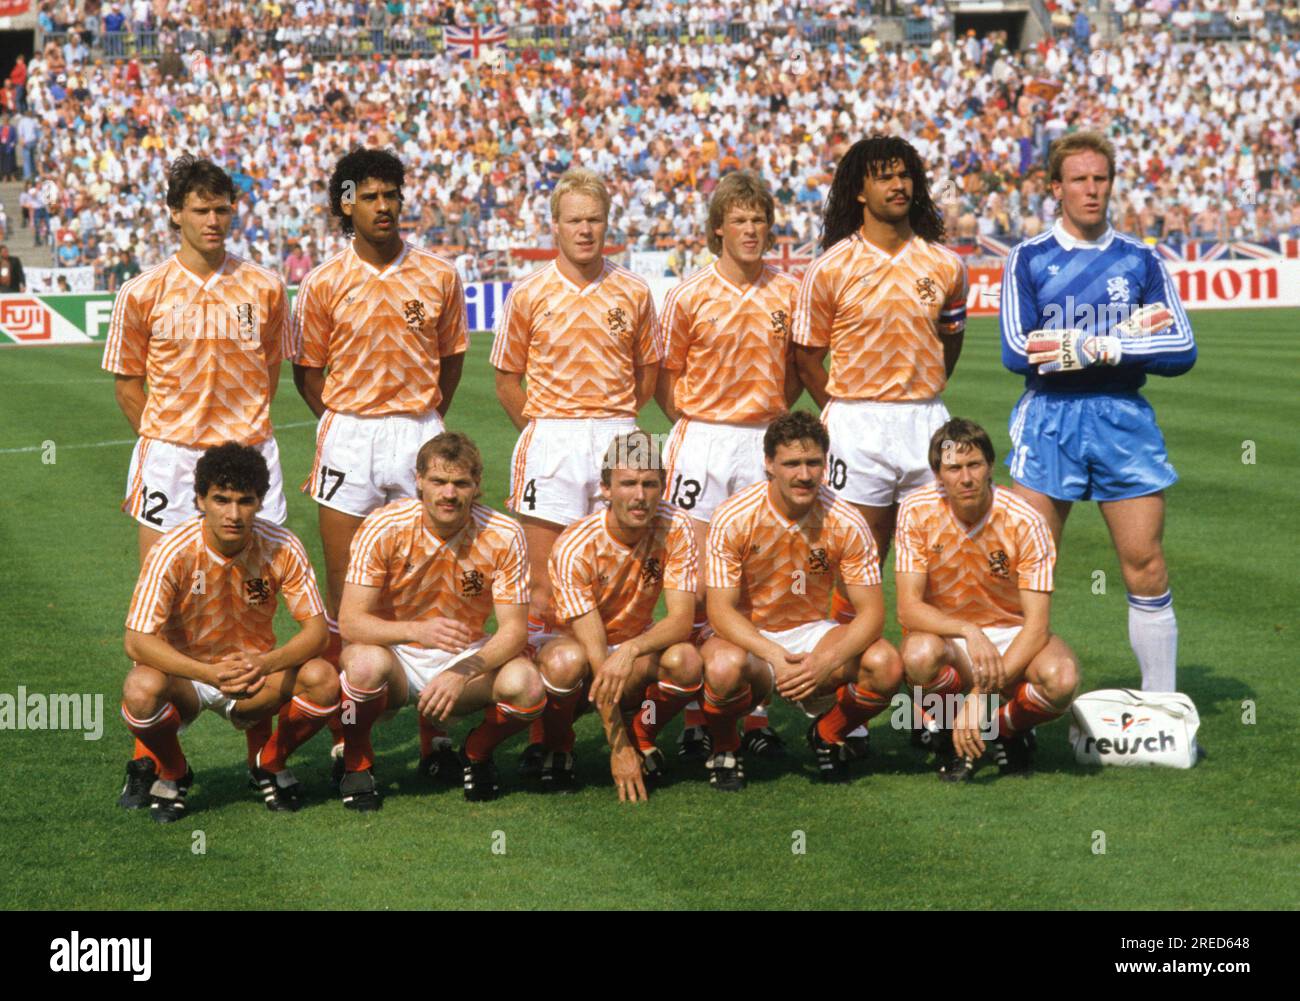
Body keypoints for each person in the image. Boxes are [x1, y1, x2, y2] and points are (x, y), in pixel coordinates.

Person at [289, 147, 468, 774]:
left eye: (392, 193)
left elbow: (451, 361)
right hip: (348, 438)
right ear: (347, 203)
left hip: (417, 430)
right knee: (347, 594)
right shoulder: (322, 282)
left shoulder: (439, 276)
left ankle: (434, 730)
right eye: (370, 195)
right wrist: (348, 425)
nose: (385, 205)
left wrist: (418, 421)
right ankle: (350, 729)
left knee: (428, 578)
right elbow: (307, 371)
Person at [1000, 131, 1196, 693]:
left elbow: (1181, 349)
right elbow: (1019, 351)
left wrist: (1096, 348)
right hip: (1048, 418)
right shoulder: (1029, 257)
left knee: (1146, 564)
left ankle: (1161, 703)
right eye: (1079, 179)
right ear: (1056, 188)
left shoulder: (1140, 259)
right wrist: (1112, 340)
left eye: (1100, 178)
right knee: (1032, 570)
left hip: (1121, 418)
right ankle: (1018, 706)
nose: (1091, 189)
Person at [655, 170, 803, 762]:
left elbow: (796, 371)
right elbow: (667, 380)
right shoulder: (687, 294)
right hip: (701, 441)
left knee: (756, 578)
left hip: (761, 440)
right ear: (718, 228)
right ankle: (697, 708)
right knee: (691, 576)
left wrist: (768, 418)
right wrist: (700, 423)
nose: (750, 229)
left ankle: (755, 707)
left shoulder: (789, 293)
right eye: (739, 219)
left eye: (759, 219)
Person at [117, 444, 339, 823]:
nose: (233, 514)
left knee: (324, 679)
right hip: (188, 678)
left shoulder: (283, 546)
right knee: (140, 689)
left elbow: (318, 633)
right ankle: (174, 771)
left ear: (260, 501)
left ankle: (268, 763)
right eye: (221, 500)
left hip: (255, 679)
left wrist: (264, 662)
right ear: (200, 500)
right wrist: (208, 673)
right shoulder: (173, 551)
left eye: (245, 501)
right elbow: (136, 641)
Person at [490, 166, 660, 653]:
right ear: (556, 226)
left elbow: (646, 372)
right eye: (574, 221)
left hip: (616, 435)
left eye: (594, 220)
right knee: (543, 586)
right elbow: (506, 379)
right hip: (552, 439)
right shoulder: (528, 291)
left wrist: (614, 420)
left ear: (608, 224)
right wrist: (544, 431)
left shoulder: (634, 291)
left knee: (618, 574)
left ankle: (608, 681)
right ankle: (550, 711)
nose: (585, 230)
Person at [335, 432, 544, 809]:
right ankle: (357, 762)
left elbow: (514, 631)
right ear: (418, 480)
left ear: (477, 486)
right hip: (396, 656)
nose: (449, 494)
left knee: (527, 685)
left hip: (463, 659)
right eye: (439, 481)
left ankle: (476, 753)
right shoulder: (384, 526)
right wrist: (416, 630)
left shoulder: (504, 534)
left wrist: (460, 671)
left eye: (461, 483)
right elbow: (350, 622)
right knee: (363, 665)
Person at [697, 412, 902, 790]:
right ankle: (725, 746)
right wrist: (773, 655)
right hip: (747, 637)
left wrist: (823, 663)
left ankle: (828, 734)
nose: (804, 474)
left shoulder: (846, 520)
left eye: (813, 463)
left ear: (826, 464)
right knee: (724, 668)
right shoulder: (734, 517)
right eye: (791, 463)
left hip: (811, 633)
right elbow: (720, 611)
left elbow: (872, 613)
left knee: (886, 664)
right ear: (769, 464)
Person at [102, 155, 291, 565]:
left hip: (248, 452)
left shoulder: (266, 287)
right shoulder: (141, 292)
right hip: (171, 459)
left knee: (250, 591)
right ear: (175, 213)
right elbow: (127, 387)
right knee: (162, 589)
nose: (213, 220)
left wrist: (241, 433)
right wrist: (166, 440)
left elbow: (270, 371)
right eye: (201, 210)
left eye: (222, 209)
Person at [792, 135, 969, 566]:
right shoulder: (831, 267)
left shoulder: (945, 264)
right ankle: (849, 634)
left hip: (925, 419)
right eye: (884, 176)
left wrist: (922, 386)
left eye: (905, 175)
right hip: (857, 424)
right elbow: (807, 357)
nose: (898, 185)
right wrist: (842, 410)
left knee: (938, 552)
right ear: (859, 190)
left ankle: (928, 637)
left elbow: (952, 336)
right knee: (858, 556)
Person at [895, 419, 1079, 779]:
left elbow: (1037, 625)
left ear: (990, 467)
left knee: (1063, 679)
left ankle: (1002, 728)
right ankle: (949, 730)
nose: (966, 478)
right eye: (954, 468)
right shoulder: (915, 511)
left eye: (974, 465)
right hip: (951, 637)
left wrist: (980, 696)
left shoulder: (1026, 520)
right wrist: (968, 630)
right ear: (938, 474)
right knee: (918, 656)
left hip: (1012, 633)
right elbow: (908, 608)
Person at [526, 430, 702, 801]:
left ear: (663, 485)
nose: (639, 496)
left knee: (685, 660)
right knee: (565, 663)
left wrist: (631, 650)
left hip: (629, 646)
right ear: (605, 489)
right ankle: (559, 743)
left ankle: (644, 732)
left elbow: (680, 621)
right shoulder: (576, 546)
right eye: (628, 484)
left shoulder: (677, 527)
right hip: (576, 646)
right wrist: (617, 750)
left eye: (649, 484)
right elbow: (595, 653)